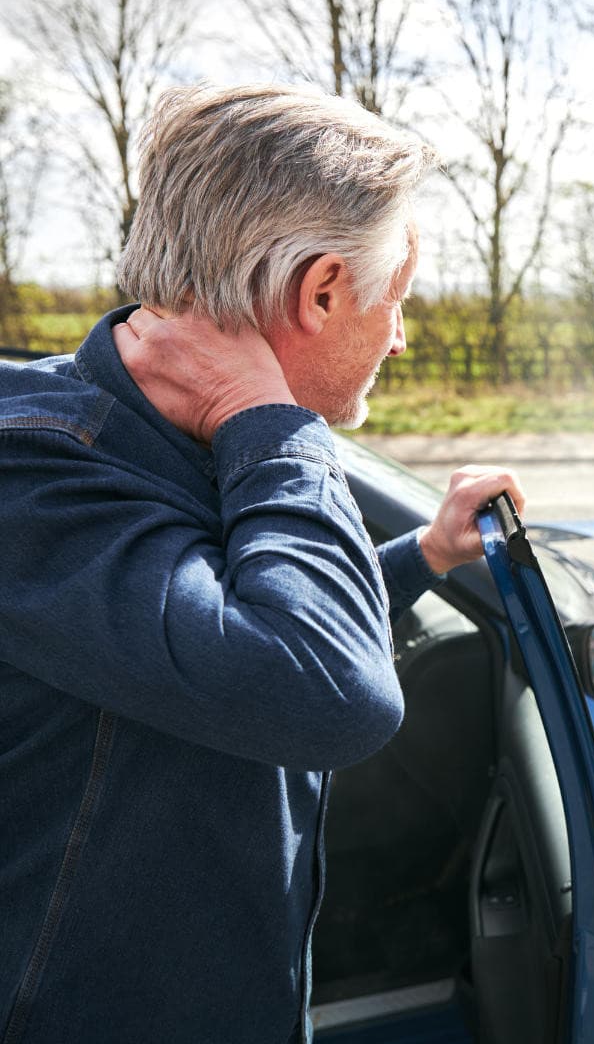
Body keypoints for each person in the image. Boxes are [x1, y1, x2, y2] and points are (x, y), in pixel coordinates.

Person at [0, 83, 524, 1044]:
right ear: (320, 291)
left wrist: (417, 556)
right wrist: (272, 422)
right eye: (394, 299)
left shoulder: (156, 440)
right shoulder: (33, 471)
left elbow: (219, 623)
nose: (400, 337)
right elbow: (328, 688)